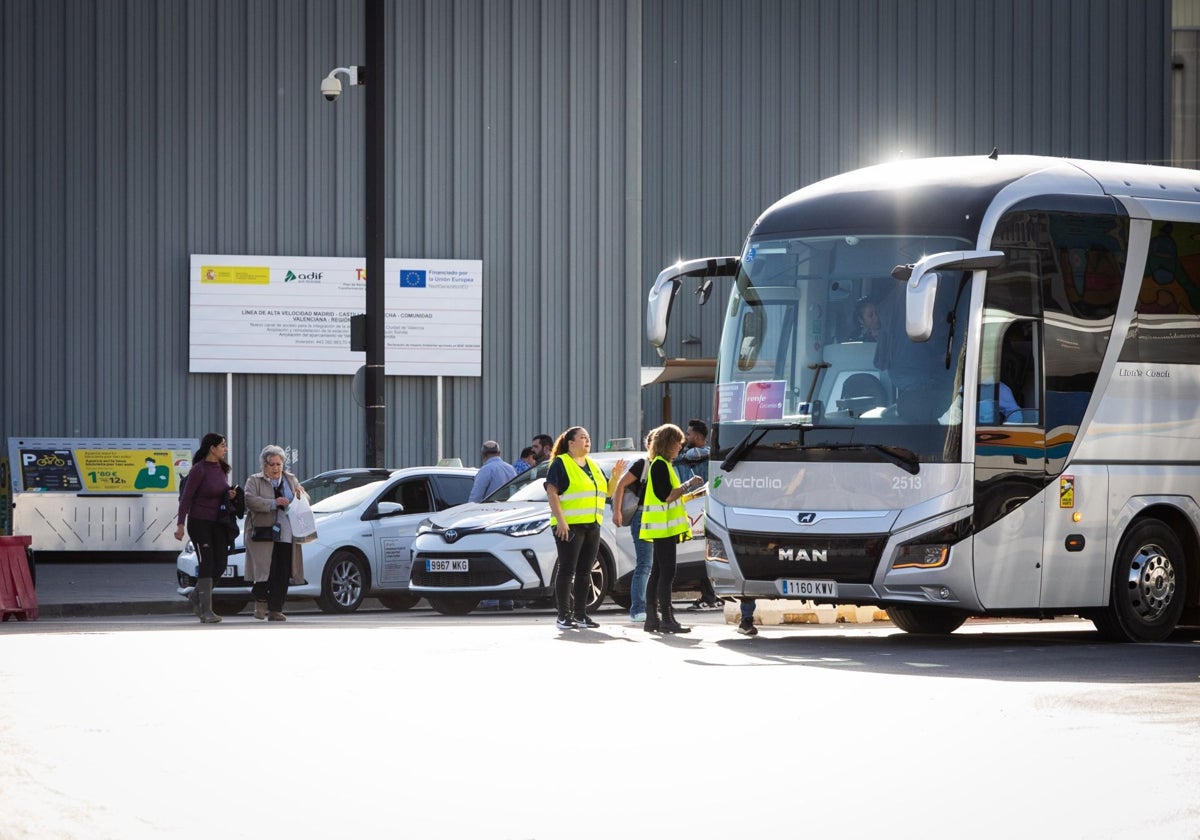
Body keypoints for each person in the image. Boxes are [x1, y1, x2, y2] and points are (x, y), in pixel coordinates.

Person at [544, 426, 624, 630]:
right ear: (571, 443)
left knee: (585, 571)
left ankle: (580, 614)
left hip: (592, 525)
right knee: (567, 569)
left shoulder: (593, 465)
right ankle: (563, 615)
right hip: (570, 526)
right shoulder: (561, 463)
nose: (587, 440)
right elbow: (552, 493)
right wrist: (561, 521)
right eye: (582, 438)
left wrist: (615, 477)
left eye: (588, 437)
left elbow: (607, 493)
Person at [640, 423, 704, 634]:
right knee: (666, 572)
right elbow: (667, 496)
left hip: (662, 528)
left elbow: (670, 498)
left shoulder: (662, 464)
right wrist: (689, 484)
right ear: (668, 443)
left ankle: (653, 618)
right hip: (663, 530)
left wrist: (690, 493)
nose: (680, 446)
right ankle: (666, 618)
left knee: (659, 572)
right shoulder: (659, 465)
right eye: (677, 442)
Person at [174, 433, 239, 624]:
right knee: (207, 562)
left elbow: (219, 492)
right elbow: (186, 498)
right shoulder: (198, 470)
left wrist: (231, 494)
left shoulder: (221, 468)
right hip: (199, 522)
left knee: (220, 563)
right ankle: (206, 611)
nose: (225, 449)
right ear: (212, 448)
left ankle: (196, 596)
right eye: (222, 445)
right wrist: (180, 525)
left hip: (218, 522)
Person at [244, 445, 306, 621]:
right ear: (264, 465)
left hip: (286, 532)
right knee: (265, 570)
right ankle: (261, 600)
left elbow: (304, 498)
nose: (276, 468)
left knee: (282, 572)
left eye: (279, 464)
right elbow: (250, 500)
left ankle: (275, 609)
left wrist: (301, 495)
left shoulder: (290, 479)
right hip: (263, 533)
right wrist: (273, 503)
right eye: (272, 464)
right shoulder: (254, 480)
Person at [611, 433, 653, 622]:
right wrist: (617, 511)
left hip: (657, 518)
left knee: (650, 565)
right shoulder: (642, 464)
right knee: (644, 564)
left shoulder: (665, 464)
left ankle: (649, 606)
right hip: (642, 516)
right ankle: (638, 609)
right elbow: (620, 485)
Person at [672, 418, 710, 483]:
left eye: (688, 434)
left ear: (697, 437)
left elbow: (692, 454)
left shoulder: (707, 458)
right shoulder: (684, 452)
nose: (686, 437)